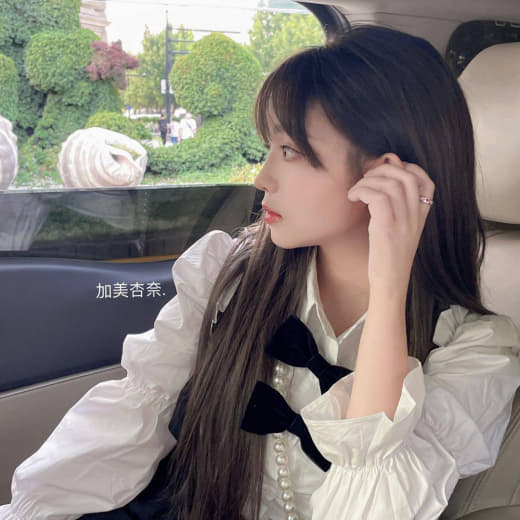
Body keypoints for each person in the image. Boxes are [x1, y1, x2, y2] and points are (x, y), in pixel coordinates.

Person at [1, 26, 519, 520]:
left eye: (289, 151)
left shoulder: (475, 352)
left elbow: (374, 505)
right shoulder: (228, 273)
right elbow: (126, 419)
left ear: (385, 174)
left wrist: (388, 291)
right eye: (269, 147)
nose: (263, 177)